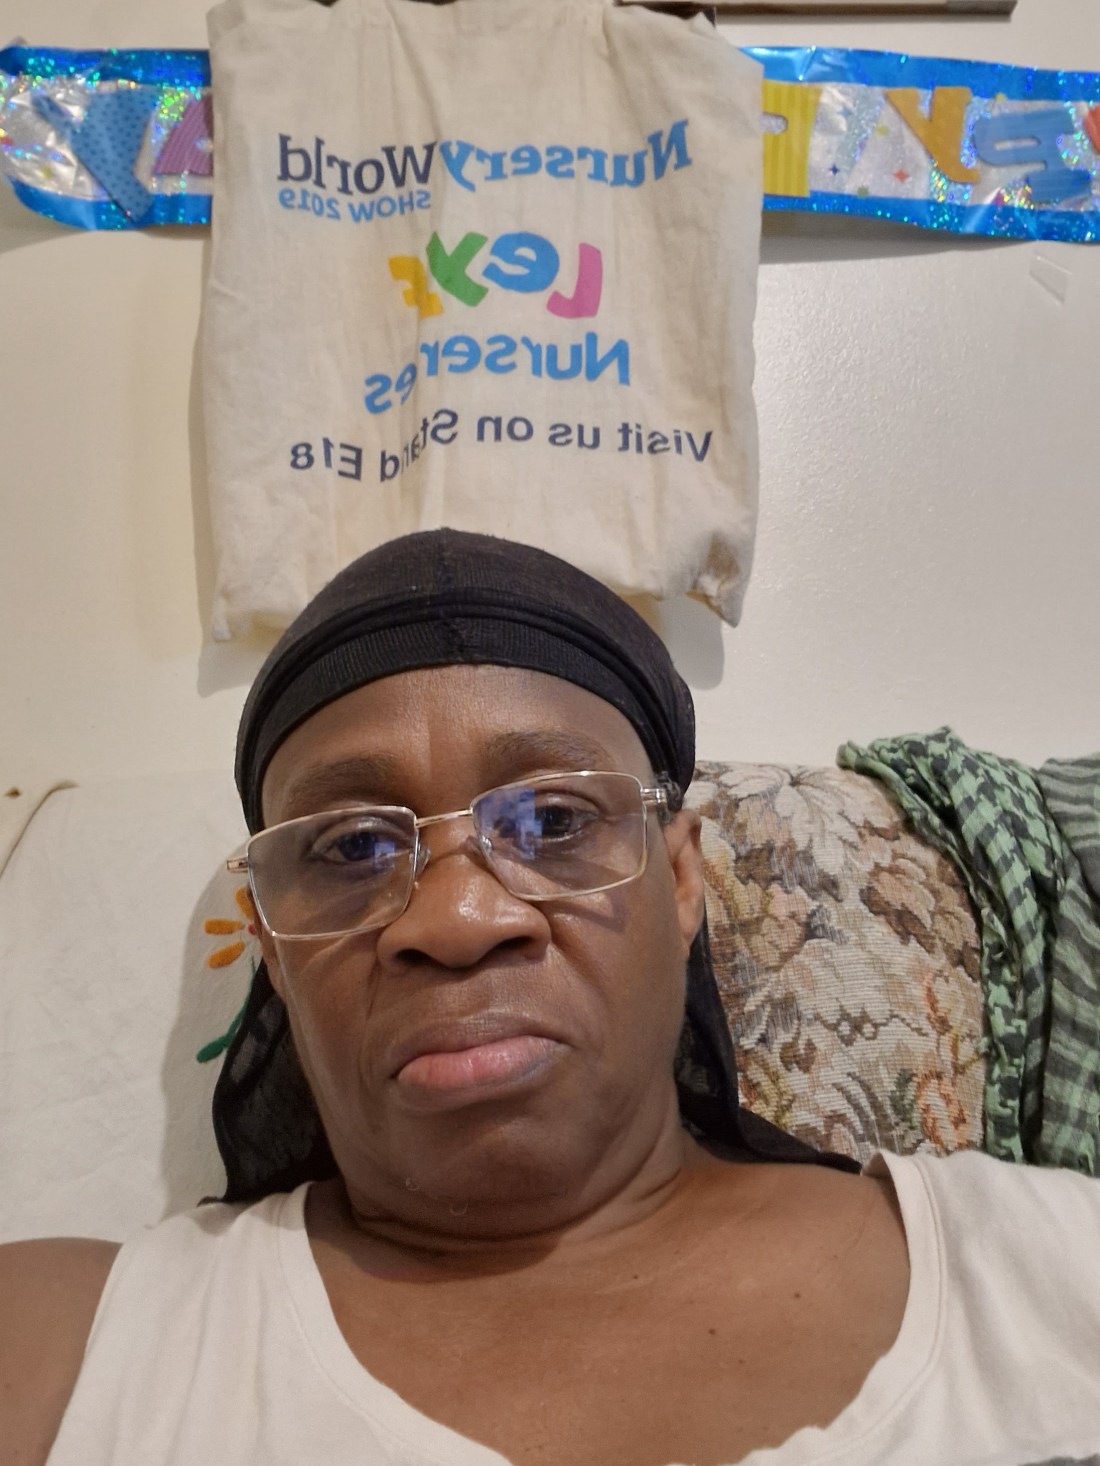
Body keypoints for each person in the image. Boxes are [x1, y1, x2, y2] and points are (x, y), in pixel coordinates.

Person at [3, 530, 1098, 1466]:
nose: (454, 919)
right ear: (275, 955)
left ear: (682, 880)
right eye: (352, 846)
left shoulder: (1047, 1266)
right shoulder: (66, 1351)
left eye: (554, 820)